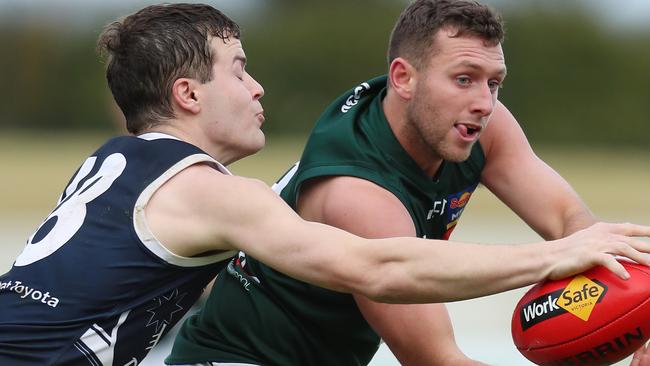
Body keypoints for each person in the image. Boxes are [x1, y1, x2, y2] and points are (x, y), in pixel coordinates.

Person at [165, 1, 650, 366]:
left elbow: (572, 224)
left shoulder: (479, 122)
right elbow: (436, 359)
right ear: (403, 78)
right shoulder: (355, 191)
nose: (484, 101)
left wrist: (632, 301)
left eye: (493, 81)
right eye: (464, 79)